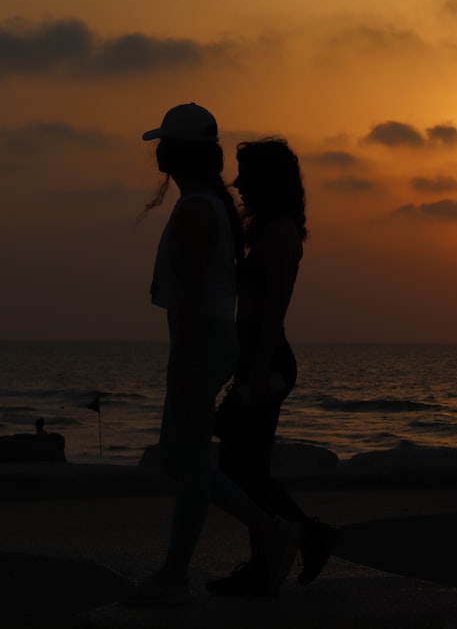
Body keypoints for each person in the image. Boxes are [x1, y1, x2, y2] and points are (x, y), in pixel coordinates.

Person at [125, 104, 300, 605]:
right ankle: (268, 532)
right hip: (207, 341)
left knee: (189, 463)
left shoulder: (198, 209)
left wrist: (183, 365)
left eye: (163, 143)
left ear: (178, 152)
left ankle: (177, 574)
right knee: (180, 462)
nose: (156, 150)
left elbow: (197, 296)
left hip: (200, 341)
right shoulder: (208, 204)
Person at [207, 138, 337, 596]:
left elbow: (273, 308)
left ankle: (297, 539)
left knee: (236, 470)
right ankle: (269, 563)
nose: (238, 182)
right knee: (247, 469)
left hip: (267, 358)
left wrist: (257, 370)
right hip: (253, 357)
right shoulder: (265, 230)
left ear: (268, 180)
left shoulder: (280, 233)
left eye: (245, 174)